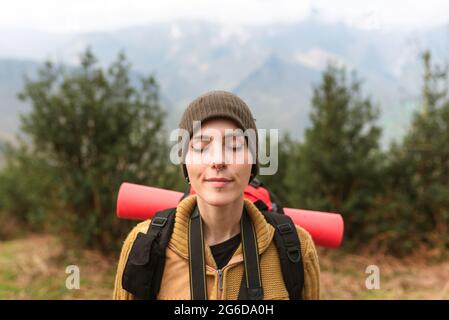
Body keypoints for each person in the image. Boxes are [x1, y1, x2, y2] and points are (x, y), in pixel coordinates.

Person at [113, 90, 320, 300]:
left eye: (235, 146)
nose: (218, 160)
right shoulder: (145, 245)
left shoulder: (297, 248)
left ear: (253, 162)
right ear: (185, 163)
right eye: (201, 147)